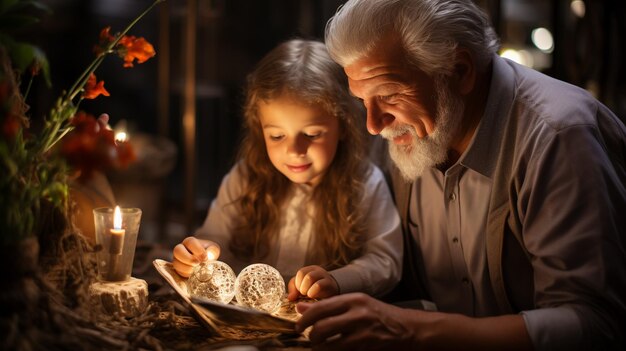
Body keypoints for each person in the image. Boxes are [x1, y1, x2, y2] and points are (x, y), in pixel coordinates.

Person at [294, 0, 626, 350]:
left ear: (460, 70)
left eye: (389, 94)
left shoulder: (558, 136)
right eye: (362, 100)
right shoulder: (408, 131)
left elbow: (597, 324)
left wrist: (411, 329)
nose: (374, 125)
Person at [171, 39, 403, 301]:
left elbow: (386, 261)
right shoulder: (246, 177)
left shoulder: (365, 183)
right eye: (277, 136)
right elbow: (214, 239)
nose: (295, 150)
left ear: (344, 126)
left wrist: (338, 280)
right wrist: (198, 255)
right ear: (260, 129)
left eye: (312, 134)